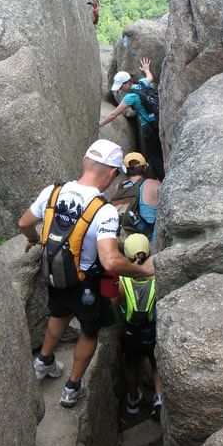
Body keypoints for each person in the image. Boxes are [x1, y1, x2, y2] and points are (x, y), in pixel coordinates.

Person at [18, 139, 155, 408]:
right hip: (88, 284)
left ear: (84, 161)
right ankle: (72, 387)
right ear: (114, 173)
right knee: (89, 332)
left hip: (56, 274)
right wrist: (141, 270)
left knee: (59, 315)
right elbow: (111, 260)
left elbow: (24, 223)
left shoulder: (52, 192)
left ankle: (44, 361)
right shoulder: (104, 211)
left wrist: (34, 239)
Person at [118, 233, 163, 418]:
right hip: (153, 329)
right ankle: (159, 397)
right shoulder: (158, 277)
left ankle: (132, 400)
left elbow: (114, 301)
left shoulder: (122, 281)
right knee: (156, 362)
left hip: (131, 333)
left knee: (132, 364)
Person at [99, 57, 165, 180]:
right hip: (157, 122)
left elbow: (114, 114)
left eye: (120, 86)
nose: (120, 89)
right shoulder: (142, 84)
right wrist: (146, 69)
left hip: (148, 129)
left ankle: (162, 179)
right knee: (160, 152)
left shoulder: (131, 96)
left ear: (128, 83)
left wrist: (100, 124)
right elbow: (150, 77)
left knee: (153, 156)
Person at [110, 151, 161, 247]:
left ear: (125, 170)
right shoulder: (155, 185)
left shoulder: (118, 187)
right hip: (150, 242)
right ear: (145, 168)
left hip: (126, 242)